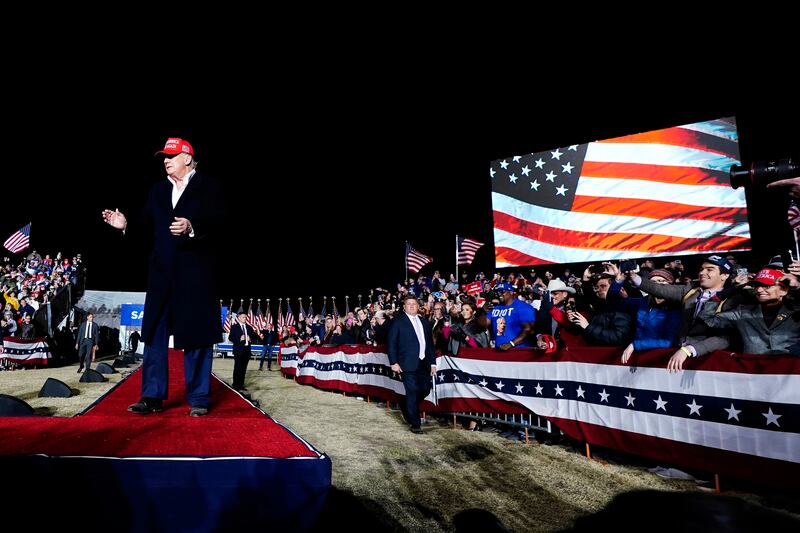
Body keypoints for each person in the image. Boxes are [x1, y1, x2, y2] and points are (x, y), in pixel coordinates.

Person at [102, 137, 225, 417]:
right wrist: (126, 225)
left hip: (196, 276)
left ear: (188, 158)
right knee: (154, 334)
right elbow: (146, 227)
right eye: (164, 156)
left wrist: (193, 227)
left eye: (171, 155)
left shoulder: (210, 188)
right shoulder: (158, 190)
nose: (166, 160)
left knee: (196, 335)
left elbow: (222, 222)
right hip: (161, 276)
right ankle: (152, 396)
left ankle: (199, 398)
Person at [387, 295, 437, 434]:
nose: (411, 306)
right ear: (404, 306)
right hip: (406, 364)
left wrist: (433, 363)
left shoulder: (424, 322)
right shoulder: (398, 322)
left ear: (418, 306)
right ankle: (415, 423)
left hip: (424, 363)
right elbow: (391, 343)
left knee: (425, 389)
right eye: (408, 304)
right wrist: (393, 362)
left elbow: (430, 345)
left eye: (414, 304)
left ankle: (406, 404)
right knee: (412, 391)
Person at [489, 282, 536, 350]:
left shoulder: (523, 307)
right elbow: (482, 325)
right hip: (499, 350)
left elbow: (529, 330)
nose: (499, 294)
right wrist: (482, 310)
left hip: (519, 351)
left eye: (502, 291)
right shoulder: (496, 307)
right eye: (497, 292)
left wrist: (511, 343)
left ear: (511, 292)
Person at [229, 311, 261, 394]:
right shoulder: (234, 327)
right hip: (238, 350)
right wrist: (240, 339)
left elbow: (255, 337)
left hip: (247, 351)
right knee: (237, 368)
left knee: (243, 369)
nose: (245, 318)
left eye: (246, 317)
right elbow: (230, 338)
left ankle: (241, 385)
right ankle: (235, 385)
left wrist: (251, 339)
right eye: (243, 317)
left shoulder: (249, 327)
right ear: (239, 318)